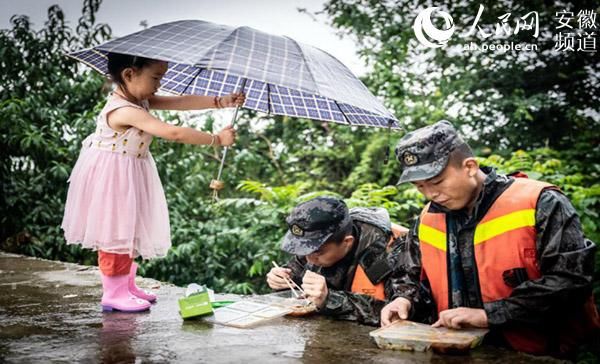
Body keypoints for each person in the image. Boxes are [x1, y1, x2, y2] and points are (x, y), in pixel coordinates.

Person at [381, 120, 599, 356]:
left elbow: (571, 280)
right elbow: (408, 276)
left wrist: (488, 315)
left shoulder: (541, 203)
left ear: (470, 167)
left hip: (538, 354)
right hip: (457, 353)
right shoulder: (426, 219)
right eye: (419, 186)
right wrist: (404, 300)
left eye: (436, 182)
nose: (430, 194)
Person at [61, 52, 245, 312]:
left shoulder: (139, 100)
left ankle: (126, 285)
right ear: (129, 74)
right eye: (156, 77)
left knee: (129, 229)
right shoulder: (124, 109)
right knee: (115, 234)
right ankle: (113, 293)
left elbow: (180, 102)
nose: (159, 84)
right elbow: (173, 132)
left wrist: (220, 102)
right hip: (112, 176)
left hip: (130, 171)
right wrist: (216, 139)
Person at [266, 196, 410, 326]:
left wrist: (330, 299)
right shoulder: (315, 243)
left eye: (317, 252)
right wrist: (282, 279)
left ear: (347, 242)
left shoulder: (389, 253)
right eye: (304, 251)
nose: (308, 258)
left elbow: (401, 313)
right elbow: (295, 271)